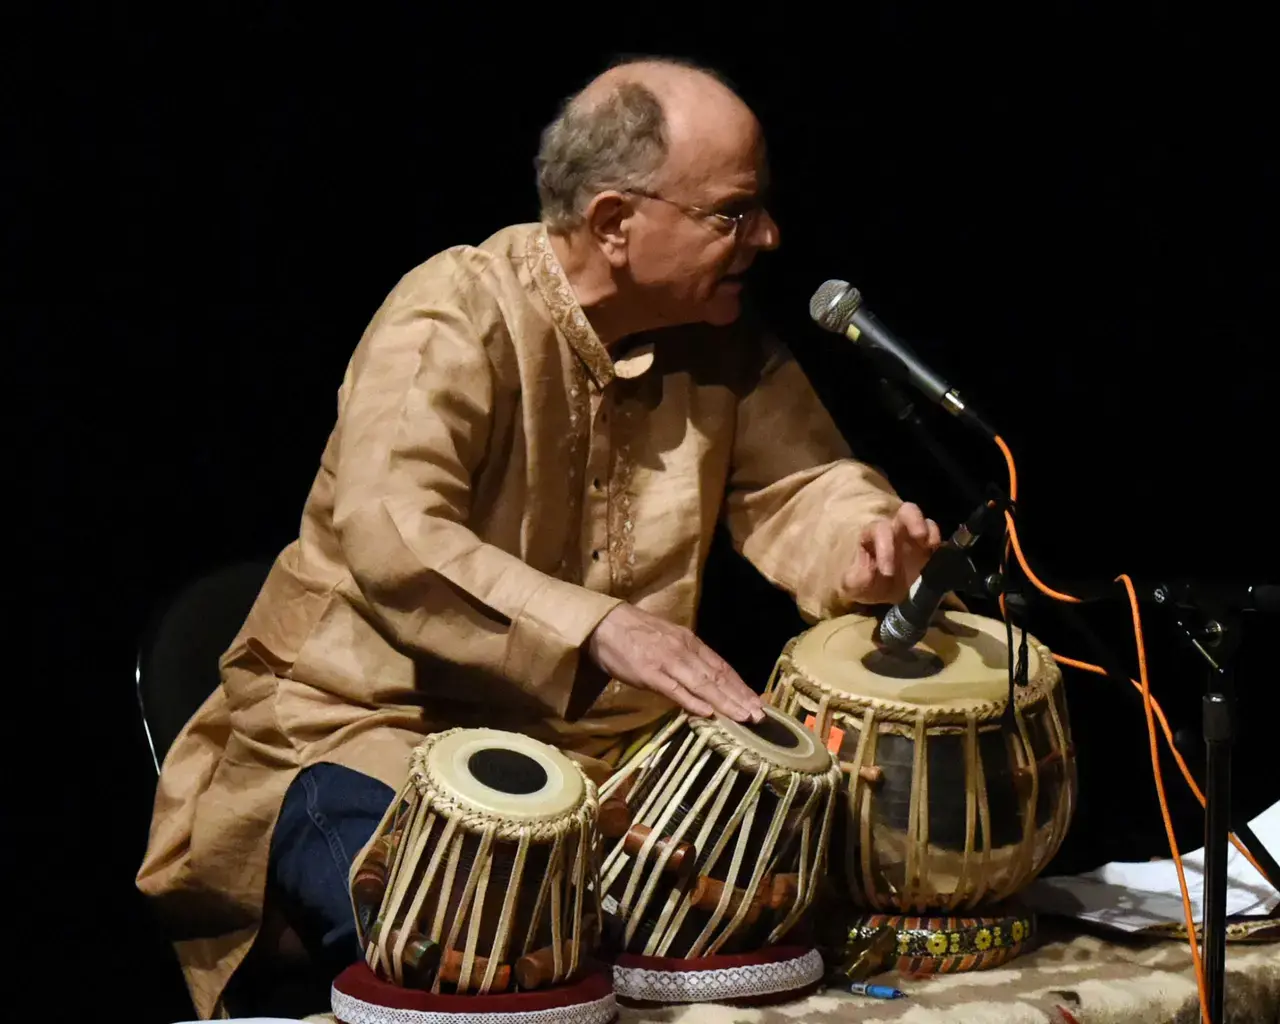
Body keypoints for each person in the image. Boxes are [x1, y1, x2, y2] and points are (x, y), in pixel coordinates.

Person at [136, 55, 943, 1018]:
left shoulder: (718, 338)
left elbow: (801, 482)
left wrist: (863, 539)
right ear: (614, 223)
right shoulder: (454, 313)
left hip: (606, 773)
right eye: (732, 213)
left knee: (770, 925)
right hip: (366, 735)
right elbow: (394, 528)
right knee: (486, 950)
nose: (767, 237)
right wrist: (601, 628)